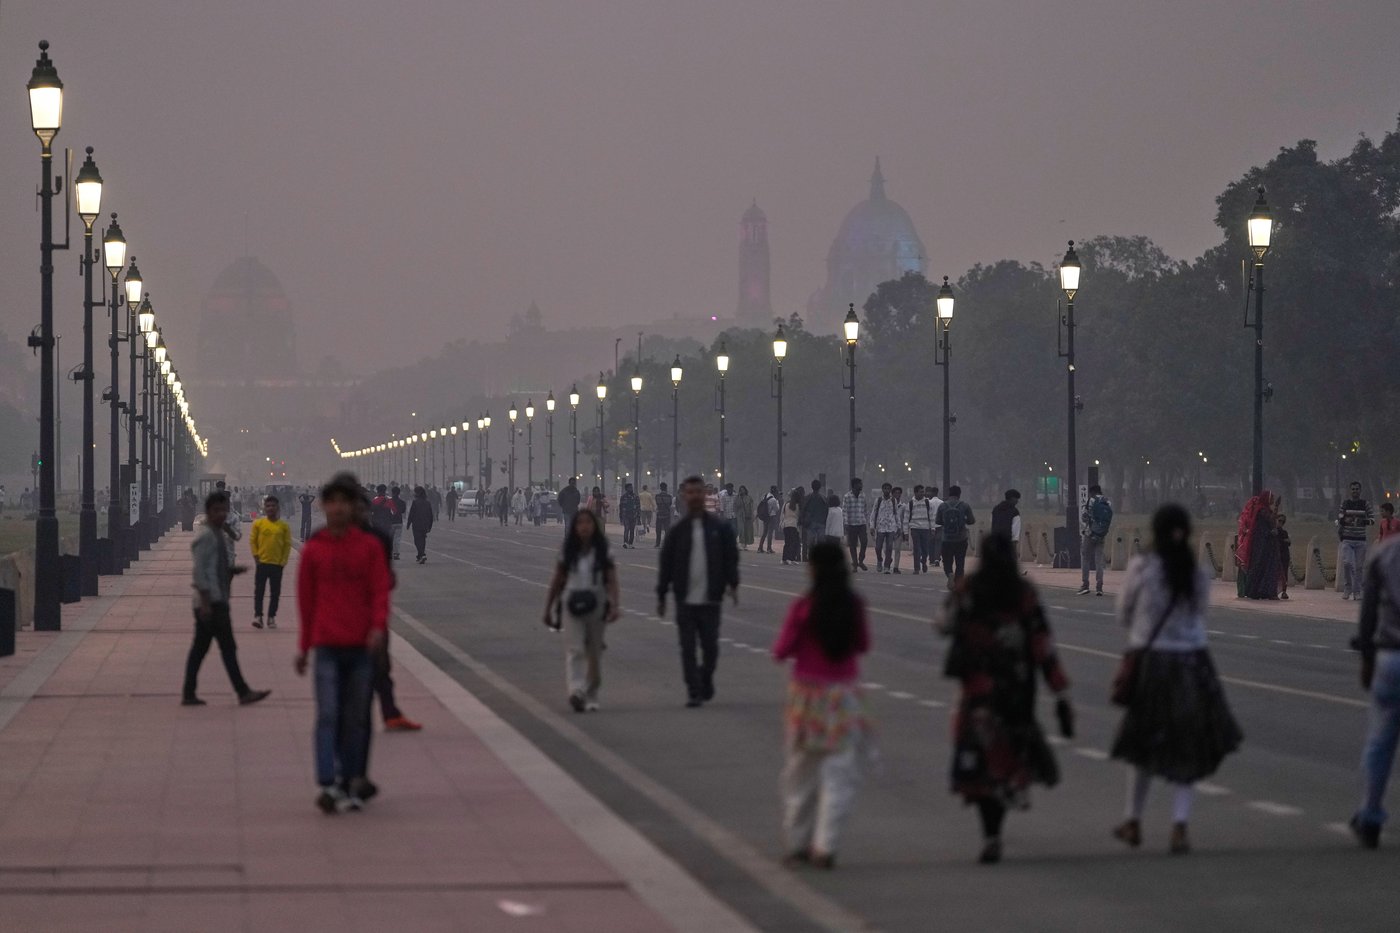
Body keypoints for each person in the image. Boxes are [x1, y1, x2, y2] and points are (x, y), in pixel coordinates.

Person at [1110, 504, 1242, 856]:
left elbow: (1123, 612)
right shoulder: (1197, 573)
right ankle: (1179, 826)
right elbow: (1200, 614)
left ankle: (1133, 819)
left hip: (1152, 662)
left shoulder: (1142, 568)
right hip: (1192, 663)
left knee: (1142, 744)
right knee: (1187, 745)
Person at [942, 533, 1072, 864]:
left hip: (978, 690)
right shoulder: (1024, 594)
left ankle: (991, 835)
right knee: (1005, 759)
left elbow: (945, 624)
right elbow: (1043, 646)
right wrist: (1060, 692)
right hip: (1016, 692)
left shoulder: (967, 589)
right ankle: (998, 820)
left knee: (982, 761)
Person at [773, 541, 873, 870]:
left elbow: (782, 649)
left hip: (807, 698)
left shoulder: (804, 607)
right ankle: (826, 845)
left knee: (800, 773)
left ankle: (797, 842)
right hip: (842, 698)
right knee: (838, 774)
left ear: (813, 568)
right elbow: (863, 644)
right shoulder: (854, 605)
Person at [296, 473, 392, 813]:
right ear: (323, 506)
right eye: (332, 502)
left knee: (355, 717)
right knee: (328, 714)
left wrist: (378, 628)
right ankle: (329, 780)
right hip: (326, 646)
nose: (337, 508)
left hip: (361, 646)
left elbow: (380, 591)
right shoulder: (314, 550)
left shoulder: (368, 548)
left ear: (353, 508)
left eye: (344, 502)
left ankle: (351, 779)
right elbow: (306, 602)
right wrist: (304, 647)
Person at [182, 491, 271, 708]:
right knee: (227, 648)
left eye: (224, 509)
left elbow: (213, 565)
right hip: (211, 602)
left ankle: (189, 692)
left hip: (214, 599)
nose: (221, 514)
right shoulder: (206, 536)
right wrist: (205, 603)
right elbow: (200, 572)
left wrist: (232, 570)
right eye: (216, 510)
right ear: (208, 511)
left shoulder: (217, 533)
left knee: (200, 649)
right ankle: (242, 691)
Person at [657, 476, 740, 708]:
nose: (694, 496)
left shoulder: (719, 528)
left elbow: (730, 558)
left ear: (705, 495)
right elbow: (667, 563)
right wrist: (662, 594)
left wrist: (733, 584)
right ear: (684, 496)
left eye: (698, 492)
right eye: (689, 492)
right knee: (688, 648)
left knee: (711, 647)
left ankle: (705, 678)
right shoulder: (678, 531)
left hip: (711, 599)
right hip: (685, 599)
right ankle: (694, 690)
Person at [351, 489, 421, 733]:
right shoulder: (331, 539)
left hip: (372, 615)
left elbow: (385, 581)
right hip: (345, 616)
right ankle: (354, 715)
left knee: (381, 668)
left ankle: (390, 713)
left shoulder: (378, 538)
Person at [542, 509, 620, 712]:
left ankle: (592, 693)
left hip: (597, 601)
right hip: (571, 601)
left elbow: (611, 579)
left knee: (594, 651)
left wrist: (615, 605)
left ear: (594, 526)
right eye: (580, 523)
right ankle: (576, 691)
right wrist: (548, 608)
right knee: (574, 649)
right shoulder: (567, 551)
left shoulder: (603, 551)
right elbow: (557, 580)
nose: (584, 527)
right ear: (574, 527)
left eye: (588, 523)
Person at [1350, 528, 1400, 848]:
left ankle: (1369, 815)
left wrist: (1366, 657)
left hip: (1390, 656)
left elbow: (1367, 615)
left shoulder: (1384, 553)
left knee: (1380, 742)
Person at [250, 495, 292, 630]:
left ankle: (271, 616)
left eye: (273, 506)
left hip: (277, 564)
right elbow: (253, 541)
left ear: (277, 508)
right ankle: (258, 616)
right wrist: (256, 556)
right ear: (264, 508)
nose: (270, 508)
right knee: (259, 592)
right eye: (268, 506)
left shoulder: (283, 526)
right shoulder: (258, 524)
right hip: (261, 563)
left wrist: (283, 561)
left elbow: (287, 545)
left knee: (275, 592)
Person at [1237, 490, 1282, 600]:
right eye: (1271, 497)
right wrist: (1276, 507)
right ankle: (1259, 591)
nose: (1272, 500)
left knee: (1268, 568)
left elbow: (1272, 522)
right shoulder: (1261, 511)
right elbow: (1269, 521)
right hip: (1262, 545)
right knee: (1261, 567)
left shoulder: (1265, 510)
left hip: (1268, 544)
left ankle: (1266, 591)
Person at [1340, 482, 1376, 601]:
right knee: (1348, 563)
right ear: (1350, 491)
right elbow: (1339, 518)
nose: (1355, 491)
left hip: (1360, 540)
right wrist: (1346, 520)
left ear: (1360, 491)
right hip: (1347, 539)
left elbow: (1372, 519)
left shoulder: (1365, 504)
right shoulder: (1345, 503)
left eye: (1357, 489)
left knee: (1359, 567)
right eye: (1353, 489)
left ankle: (1357, 591)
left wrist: (1363, 522)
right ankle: (1347, 588)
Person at [936, 485, 975, 589]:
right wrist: (963, 520)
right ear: (959, 494)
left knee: (947, 561)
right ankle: (958, 584)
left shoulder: (942, 506)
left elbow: (937, 521)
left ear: (949, 494)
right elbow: (972, 520)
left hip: (947, 539)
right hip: (961, 539)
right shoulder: (965, 506)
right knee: (960, 562)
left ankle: (949, 574)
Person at [1080, 484, 1114, 596]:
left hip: (1090, 533)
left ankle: (1085, 585)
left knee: (1086, 558)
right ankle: (1099, 587)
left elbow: (1084, 517)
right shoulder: (1107, 502)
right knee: (1099, 561)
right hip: (1102, 534)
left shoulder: (1091, 500)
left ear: (1092, 492)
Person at [870, 482, 898, 574]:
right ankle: (879, 560)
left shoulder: (893, 501)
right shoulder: (878, 500)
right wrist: (872, 526)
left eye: (888, 488)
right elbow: (873, 513)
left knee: (889, 547)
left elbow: (896, 514)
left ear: (890, 490)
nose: (887, 490)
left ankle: (886, 567)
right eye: (885, 488)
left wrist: (899, 527)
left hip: (891, 527)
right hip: (881, 527)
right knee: (878, 547)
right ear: (882, 490)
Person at [842, 479, 870, 571]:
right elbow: (845, 511)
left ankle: (861, 560)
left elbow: (865, 509)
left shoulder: (863, 496)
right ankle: (855, 563)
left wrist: (868, 521)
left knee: (864, 541)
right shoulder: (847, 496)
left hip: (862, 523)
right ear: (854, 485)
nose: (861, 485)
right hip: (851, 524)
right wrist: (845, 523)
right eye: (859, 484)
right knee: (852, 544)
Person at [908, 485, 935, 575]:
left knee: (925, 549)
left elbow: (931, 516)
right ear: (915, 493)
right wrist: (905, 531)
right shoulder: (911, 503)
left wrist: (933, 528)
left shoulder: (928, 503)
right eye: (921, 492)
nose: (923, 493)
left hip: (925, 528)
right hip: (914, 528)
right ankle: (916, 568)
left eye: (923, 492)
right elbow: (906, 518)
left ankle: (923, 562)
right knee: (916, 549)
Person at [799, 479, 828, 562]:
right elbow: (827, 511)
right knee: (820, 541)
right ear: (820, 487)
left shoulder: (808, 497)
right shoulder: (823, 498)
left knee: (810, 542)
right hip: (821, 523)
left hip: (810, 523)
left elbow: (803, 509)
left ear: (812, 487)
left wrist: (802, 520)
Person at [406, 485, 434, 564]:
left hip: (417, 524)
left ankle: (422, 554)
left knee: (417, 540)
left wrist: (408, 523)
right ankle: (420, 555)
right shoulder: (427, 503)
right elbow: (430, 515)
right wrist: (430, 526)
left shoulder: (415, 502)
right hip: (425, 524)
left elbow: (411, 514)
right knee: (422, 539)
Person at [781, 487, 803, 565]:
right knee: (794, 542)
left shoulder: (786, 504)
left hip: (786, 524)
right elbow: (799, 516)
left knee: (787, 542)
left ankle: (784, 558)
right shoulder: (798, 506)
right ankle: (791, 558)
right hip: (793, 525)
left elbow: (783, 515)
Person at [758, 485, 781, 554]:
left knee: (764, 532)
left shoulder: (765, 496)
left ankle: (760, 547)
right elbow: (777, 509)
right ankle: (769, 548)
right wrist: (777, 501)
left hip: (765, 516)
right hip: (771, 516)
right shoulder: (774, 500)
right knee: (770, 533)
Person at [890, 487, 908, 574]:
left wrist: (905, 531)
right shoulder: (888, 504)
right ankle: (888, 560)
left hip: (899, 530)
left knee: (897, 549)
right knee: (886, 549)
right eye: (895, 493)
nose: (897, 495)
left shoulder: (903, 506)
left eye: (899, 493)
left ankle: (896, 567)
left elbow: (905, 519)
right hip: (888, 530)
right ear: (892, 494)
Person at [619, 483, 640, 548]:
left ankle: (631, 543)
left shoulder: (635, 497)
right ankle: (625, 543)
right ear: (626, 489)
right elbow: (621, 506)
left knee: (632, 530)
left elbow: (638, 506)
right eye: (629, 487)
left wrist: (638, 516)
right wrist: (621, 516)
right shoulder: (623, 497)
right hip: (626, 515)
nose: (631, 489)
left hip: (633, 515)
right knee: (627, 529)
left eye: (631, 487)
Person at [1277, 512, 1293, 600]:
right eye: (1279, 521)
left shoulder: (1284, 532)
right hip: (1276, 555)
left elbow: (1288, 542)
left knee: (1284, 574)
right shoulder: (1274, 532)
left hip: (1284, 555)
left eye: (1283, 522)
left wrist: (1284, 541)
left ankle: (1284, 591)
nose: (1281, 523)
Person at [736, 485, 756, 551]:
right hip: (741, 516)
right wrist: (739, 497)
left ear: (745, 490)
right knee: (742, 530)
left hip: (748, 516)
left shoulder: (749, 497)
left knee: (747, 530)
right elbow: (737, 505)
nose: (742, 491)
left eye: (743, 489)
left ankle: (746, 544)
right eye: (740, 490)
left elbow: (752, 507)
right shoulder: (738, 497)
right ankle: (742, 543)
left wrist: (753, 515)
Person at [654, 482, 674, 548]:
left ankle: (657, 543)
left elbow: (657, 503)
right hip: (667, 515)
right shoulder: (669, 496)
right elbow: (670, 504)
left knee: (658, 530)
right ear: (666, 488)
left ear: (660, 488)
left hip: (659, 514)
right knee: (667, 530)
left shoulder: (657, 496)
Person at [389, 485, 407, 558]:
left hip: (390, 522)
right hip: (399, 522)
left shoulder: (388, 501)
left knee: (390, 538)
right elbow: (403, 511)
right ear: (399, 493)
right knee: (397, 539)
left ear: (392, 492)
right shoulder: (402, 502)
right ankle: (396, 553)